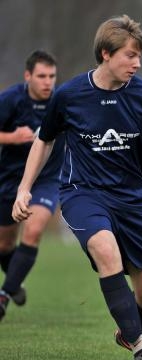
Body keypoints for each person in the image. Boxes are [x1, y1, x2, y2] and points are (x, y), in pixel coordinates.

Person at [12, 15, 142, 360]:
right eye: (129, 55)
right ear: (106, 54)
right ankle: (140, 348)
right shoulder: (71, 95)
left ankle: (129, 332)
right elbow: (43, 141)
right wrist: (24, 189)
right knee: (106, 251)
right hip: (83, 194)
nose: (137, 64)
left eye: (139, 56)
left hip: (132, 199)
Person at [0, 50, 61, 322]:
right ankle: (15, 282)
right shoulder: (11, 100)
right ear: (28, 76)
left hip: (47, 180)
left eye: (52, 76)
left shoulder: (62, 101)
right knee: (3, 245)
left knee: (34, 230)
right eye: (41, 76)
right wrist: (12, 137)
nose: (47, 82)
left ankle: (4, 295)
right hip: (10, 179)